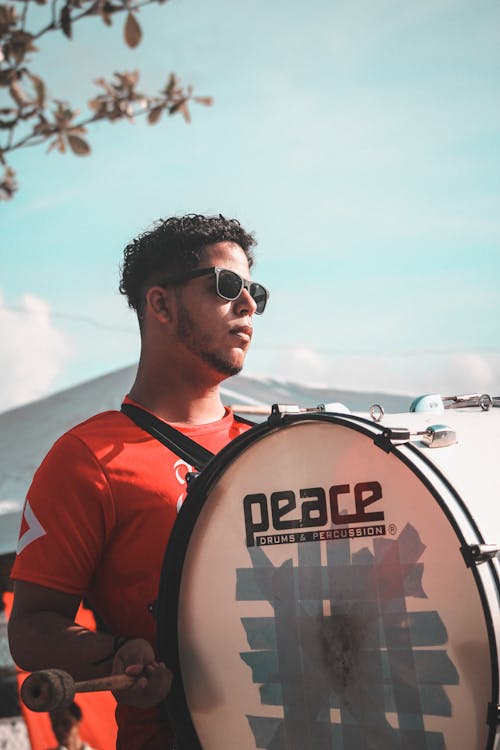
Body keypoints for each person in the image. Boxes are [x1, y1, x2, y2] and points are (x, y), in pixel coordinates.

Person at [8, 214, 269, 749]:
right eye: (226, 286)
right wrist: (114, 651)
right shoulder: (87, 458)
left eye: (255, 291)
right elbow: (30, 627)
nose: (248, 306)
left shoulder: (276, 445)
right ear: (161, 305)